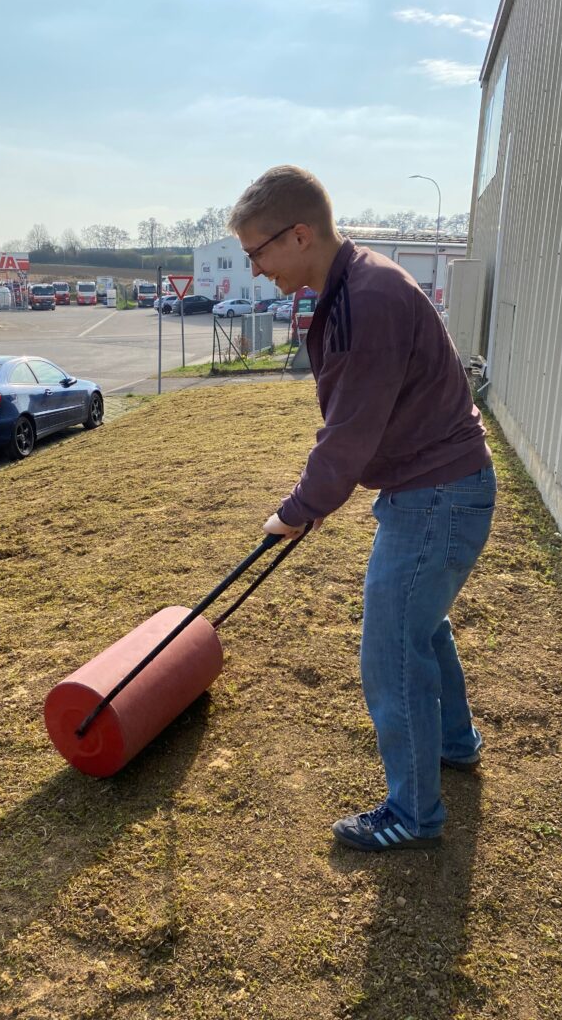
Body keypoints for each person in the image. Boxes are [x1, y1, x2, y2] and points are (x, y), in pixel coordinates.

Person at [228, 166, 495, 852]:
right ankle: (456, 744)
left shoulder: (366, 298)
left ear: (300, 234)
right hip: (440, 487)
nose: (254, 270)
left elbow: (350, 433)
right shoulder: (358, 283)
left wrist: (297, 509)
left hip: (437, 494)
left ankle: (412, 814)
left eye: (257, 252)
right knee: (422, 627)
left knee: (390, 652)